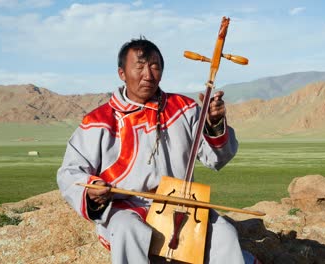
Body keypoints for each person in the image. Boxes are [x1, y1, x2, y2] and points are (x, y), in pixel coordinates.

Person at [57, 38, 258, 264]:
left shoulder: (184, 109)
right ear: (122, 73)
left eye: (154, 66)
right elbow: (71, 171)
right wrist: (92, 187)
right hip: (126, 207)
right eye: (140, 67)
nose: (148, 75)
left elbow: (215, 159)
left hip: (182, 205)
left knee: (225, 236)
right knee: (127, 229)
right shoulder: (99, 120)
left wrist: (213, 124)